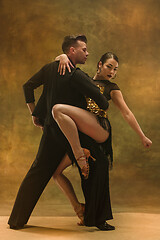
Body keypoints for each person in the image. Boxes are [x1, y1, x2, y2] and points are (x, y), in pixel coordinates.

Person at [8, 35, 111, 230]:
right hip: (74, 132)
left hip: (51, 130)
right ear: (72, 51)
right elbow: (103, 102)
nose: (87, 53)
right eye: (83, 50)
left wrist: (33, 114)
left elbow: (27, 86)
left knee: (38, 172)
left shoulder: (50, 68)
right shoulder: (77, 75)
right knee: (99, 165)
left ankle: (16, 221)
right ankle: (96, 220)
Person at [51, 52, 152, 228]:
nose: (112, 72)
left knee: (59, 109)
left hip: (99, 127)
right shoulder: (84, 80)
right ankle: (80, 210)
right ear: (99, 64)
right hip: (82, 136)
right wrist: (62, 57)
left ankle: (99, 216)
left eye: (115, 69)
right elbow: (63, 71)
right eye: (109, 67)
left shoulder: (111, 87)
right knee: (57, 172)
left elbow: (126, 112)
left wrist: (142, 136)